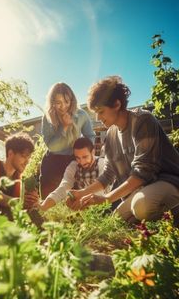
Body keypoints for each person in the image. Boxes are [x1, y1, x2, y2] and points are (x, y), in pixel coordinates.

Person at [70, 75, 179, 223]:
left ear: (116, 104)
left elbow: (143, 172)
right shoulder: (111, 136)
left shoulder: (143, 121)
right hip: (140, 191)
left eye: (101, 111)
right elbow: (107, 175)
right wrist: (82, 193)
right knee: (115, 222)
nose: (97, 118)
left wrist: (106, 199)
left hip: (167, 182)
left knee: (141, 207)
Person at [40, 82, 96, 199]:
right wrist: (64, 127)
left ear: (72, 100)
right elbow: (52, 146)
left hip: (73, 161)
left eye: (66, 101)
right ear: (52, 102)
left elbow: (90, 136)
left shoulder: (81, 115)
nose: (63, 106)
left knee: (72, 199)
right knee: (49, 201)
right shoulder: (47, 118)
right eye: (58, 103)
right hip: (52, 163)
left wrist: (86, 153)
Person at [0, 132, 38, 218]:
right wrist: (20, 202)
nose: (27, 162)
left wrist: (32, 201)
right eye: (23, 156)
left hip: (6, 224)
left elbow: (20, 207)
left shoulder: (20, 178)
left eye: (29, 158)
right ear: (10, 153)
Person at [39, 137, 104, 211]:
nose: (82, 162)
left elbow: (103, 191)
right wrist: (44, 206)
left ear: (93, 152)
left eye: (85, 157)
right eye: (78, 158)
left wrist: (82, 199)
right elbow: (62, 188)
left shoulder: (102, 164)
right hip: (83, 210)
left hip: (105, 207)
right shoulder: (73, 166)